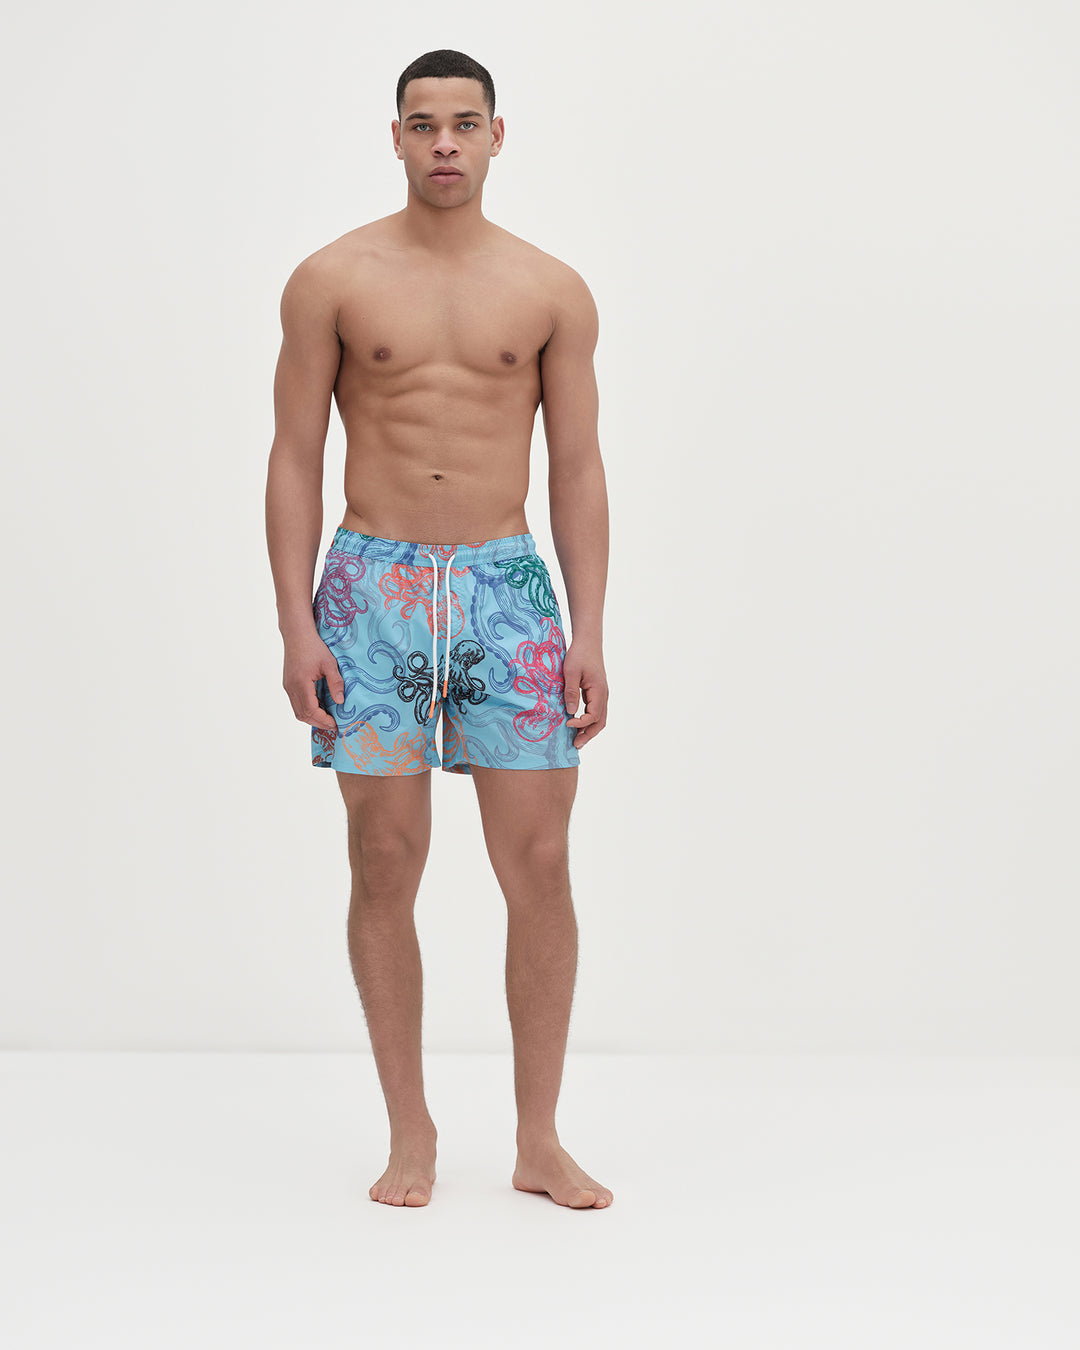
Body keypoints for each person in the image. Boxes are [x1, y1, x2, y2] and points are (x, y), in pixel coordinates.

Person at [264, 49, 611, 1210]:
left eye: (466, 123)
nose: (446, 143)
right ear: (397, 137)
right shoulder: (332, 278)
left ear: (497, 136)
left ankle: (539, 1140)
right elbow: (293, 458)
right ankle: (409, 1131)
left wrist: (588, 629)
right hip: (372, 587)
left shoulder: (551, 289)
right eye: (425, 125)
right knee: (382, 857)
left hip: (508, 590)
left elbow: (578, 467)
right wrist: (295, 623)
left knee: (542, 861)